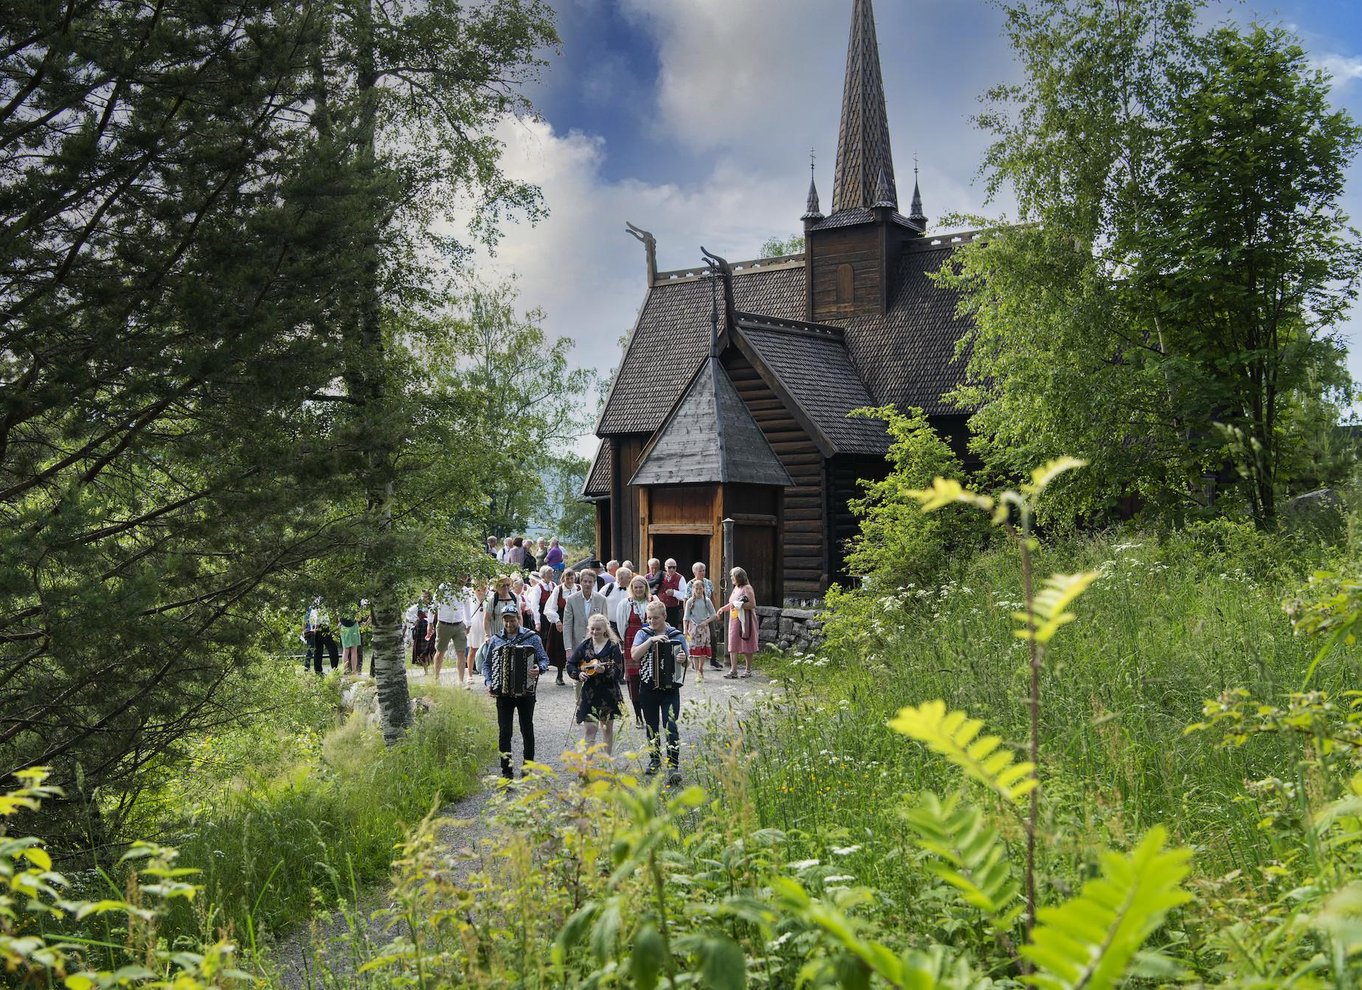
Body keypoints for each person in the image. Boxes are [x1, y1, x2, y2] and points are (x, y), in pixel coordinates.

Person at [484, 604, 550, 779]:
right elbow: (487, 665)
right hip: (503, 693)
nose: (508, 623)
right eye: (505, 620)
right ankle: (506, 772)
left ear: (518, 618)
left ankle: (527, 769)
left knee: (526, 729)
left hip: (526, 692)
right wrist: (489, 682)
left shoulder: (531, 638)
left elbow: (544, 659)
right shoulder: (496, 639)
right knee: (504, 732)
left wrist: (539, 668)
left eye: (511, 619)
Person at [631, 601, 688, 784]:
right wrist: (650, 641)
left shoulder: (676, 635)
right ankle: (654, 760)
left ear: (664, 617)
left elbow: (687, 662)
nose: (652, 621)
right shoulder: (643, 634)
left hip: (670, 689)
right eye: (649, 618)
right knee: (651, 726)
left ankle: (673, 766)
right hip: (648, 687)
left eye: (656, 618)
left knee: (670, 726)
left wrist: (683, 658)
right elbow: (634, 655)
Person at [567, 614, 626, 755]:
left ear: (605, 629)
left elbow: (619, 672)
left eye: (598, 629)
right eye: (592, 629)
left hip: (608, 693)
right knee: (589, 730)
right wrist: (578, 674)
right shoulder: (585, 645)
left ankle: (606, 763)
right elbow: (571, 664)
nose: (594, 632)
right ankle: (587, 768)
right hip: (589, 693)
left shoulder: (613, 646)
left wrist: (604, 670)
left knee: (607, 729)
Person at [615, 574, 656, 727]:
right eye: (636, 587)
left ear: (646, 587)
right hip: (631, 641)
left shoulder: (652, 601)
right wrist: (625, 644)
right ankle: (638, 716)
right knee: (634, 679)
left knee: (650, 677)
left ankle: (650, 713)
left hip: (650, 642)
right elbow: (621, 626)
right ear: (631, 588)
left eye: (641, 587)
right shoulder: (625, 603)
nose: (639, 589)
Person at [715, 567, 758, 678]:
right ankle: (733, 670)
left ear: (738, 577)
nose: (731, 578)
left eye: (732, 576)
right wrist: (722, 609)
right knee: (733, 642)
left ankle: (748, 670)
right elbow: (732, 603)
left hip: (746, 619)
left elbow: (752, 605)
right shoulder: (736, 589)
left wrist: (739, 605)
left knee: (746, 642)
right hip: (734, 620)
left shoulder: (747, 588)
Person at [531, 565, 566, 685]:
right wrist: (537, 622)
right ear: (544, 575)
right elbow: (535, 606)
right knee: (542, 640)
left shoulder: (554, 586)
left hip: (551, 617)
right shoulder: (538, 588)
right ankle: (541, 663)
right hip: (542, 617)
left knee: (551, 641)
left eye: (552, 573)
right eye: (550, 573)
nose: (552, 575)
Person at [561, 568, 608, 655]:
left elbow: (605, 624)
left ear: (594, 583)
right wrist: (568, 648)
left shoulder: (602, 600)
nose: (587, 584)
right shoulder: (571, 599)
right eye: (585, 581)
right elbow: (567, 625)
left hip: (597, 645)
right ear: (580, 582)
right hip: (577, 645)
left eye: (590, 582)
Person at [431, 582, 469, 683]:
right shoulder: (443, 587)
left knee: (461, 652)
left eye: (466, 576)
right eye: (461, 576)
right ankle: (436, 678)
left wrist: (468, 623)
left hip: (459, 624)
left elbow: (467, 607)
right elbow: (433, 605)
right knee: (440, 652)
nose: (463, 579)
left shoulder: (465, 590)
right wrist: (430, 623)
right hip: (444, 624)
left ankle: (461, 681)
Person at [683, 579, 717, 684]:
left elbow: (714, 614)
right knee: (694, 649)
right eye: (696, 589)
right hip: (693, 628)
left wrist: (706, 621)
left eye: (700, 588)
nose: (698, 591)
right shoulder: (690, 601)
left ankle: (701, 668)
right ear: (693, 589)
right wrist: (685, 629)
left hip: (704, 627)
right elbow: (686, 616)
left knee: (702, 649)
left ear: (703, 589)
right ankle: (697, 670)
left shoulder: (706, 600)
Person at [304, 600, 338, 675]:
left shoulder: (315, 601)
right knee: (332, 648)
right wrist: (316, 627)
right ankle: (334, 668)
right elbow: (317, 615)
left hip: (316, 627)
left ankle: (318, 670)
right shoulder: (320, 600)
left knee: (318, 650)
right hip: (321, 626)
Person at [463, 577, 486, 688]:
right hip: (474, 623)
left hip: (485, 623)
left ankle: (486, 672)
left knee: (487, 649)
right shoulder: (469, 594)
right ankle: (470, 674)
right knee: (473, 649)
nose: (482, 585)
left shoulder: (489, 594)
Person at [406, 590, 436, 670]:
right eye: (423, 596)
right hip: (421, 630)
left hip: (431, 630)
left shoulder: (433, 606)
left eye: (426, 597)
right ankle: (426, 670)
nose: (424, 598)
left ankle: (434, 668)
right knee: (422, 650)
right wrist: (414, 620)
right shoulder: (417, 607)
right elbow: (408, 613)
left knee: (431, 648)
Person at [658, 558, 685, 628]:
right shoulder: (660, 576)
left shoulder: (680, 578)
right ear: (665, 567)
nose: (672, 569)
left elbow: (684, 595)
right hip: (660, 608)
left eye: (674, 567)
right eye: (669, 567)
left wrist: (674, 593)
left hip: (673, 609)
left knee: (672, 629)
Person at [339, 604, 364, 675]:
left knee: (345, 650)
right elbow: (359, 617)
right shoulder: (355, 599)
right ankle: (353, 671)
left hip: (344, 626)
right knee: (354, 650)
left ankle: (345, 670)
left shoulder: (340, 600)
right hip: (353, 625)